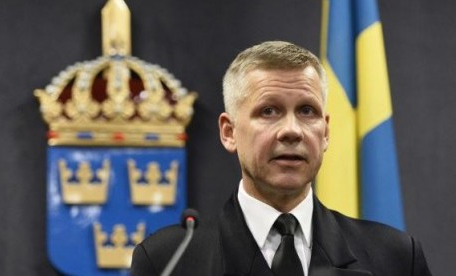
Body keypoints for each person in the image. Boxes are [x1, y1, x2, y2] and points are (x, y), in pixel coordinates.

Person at [130, 41, 432, 276]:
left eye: (306, 111)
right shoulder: (167, 261)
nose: (291, 131)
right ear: (229, 132)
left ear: (325, 132)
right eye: (269, 111)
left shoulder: (397, 258)